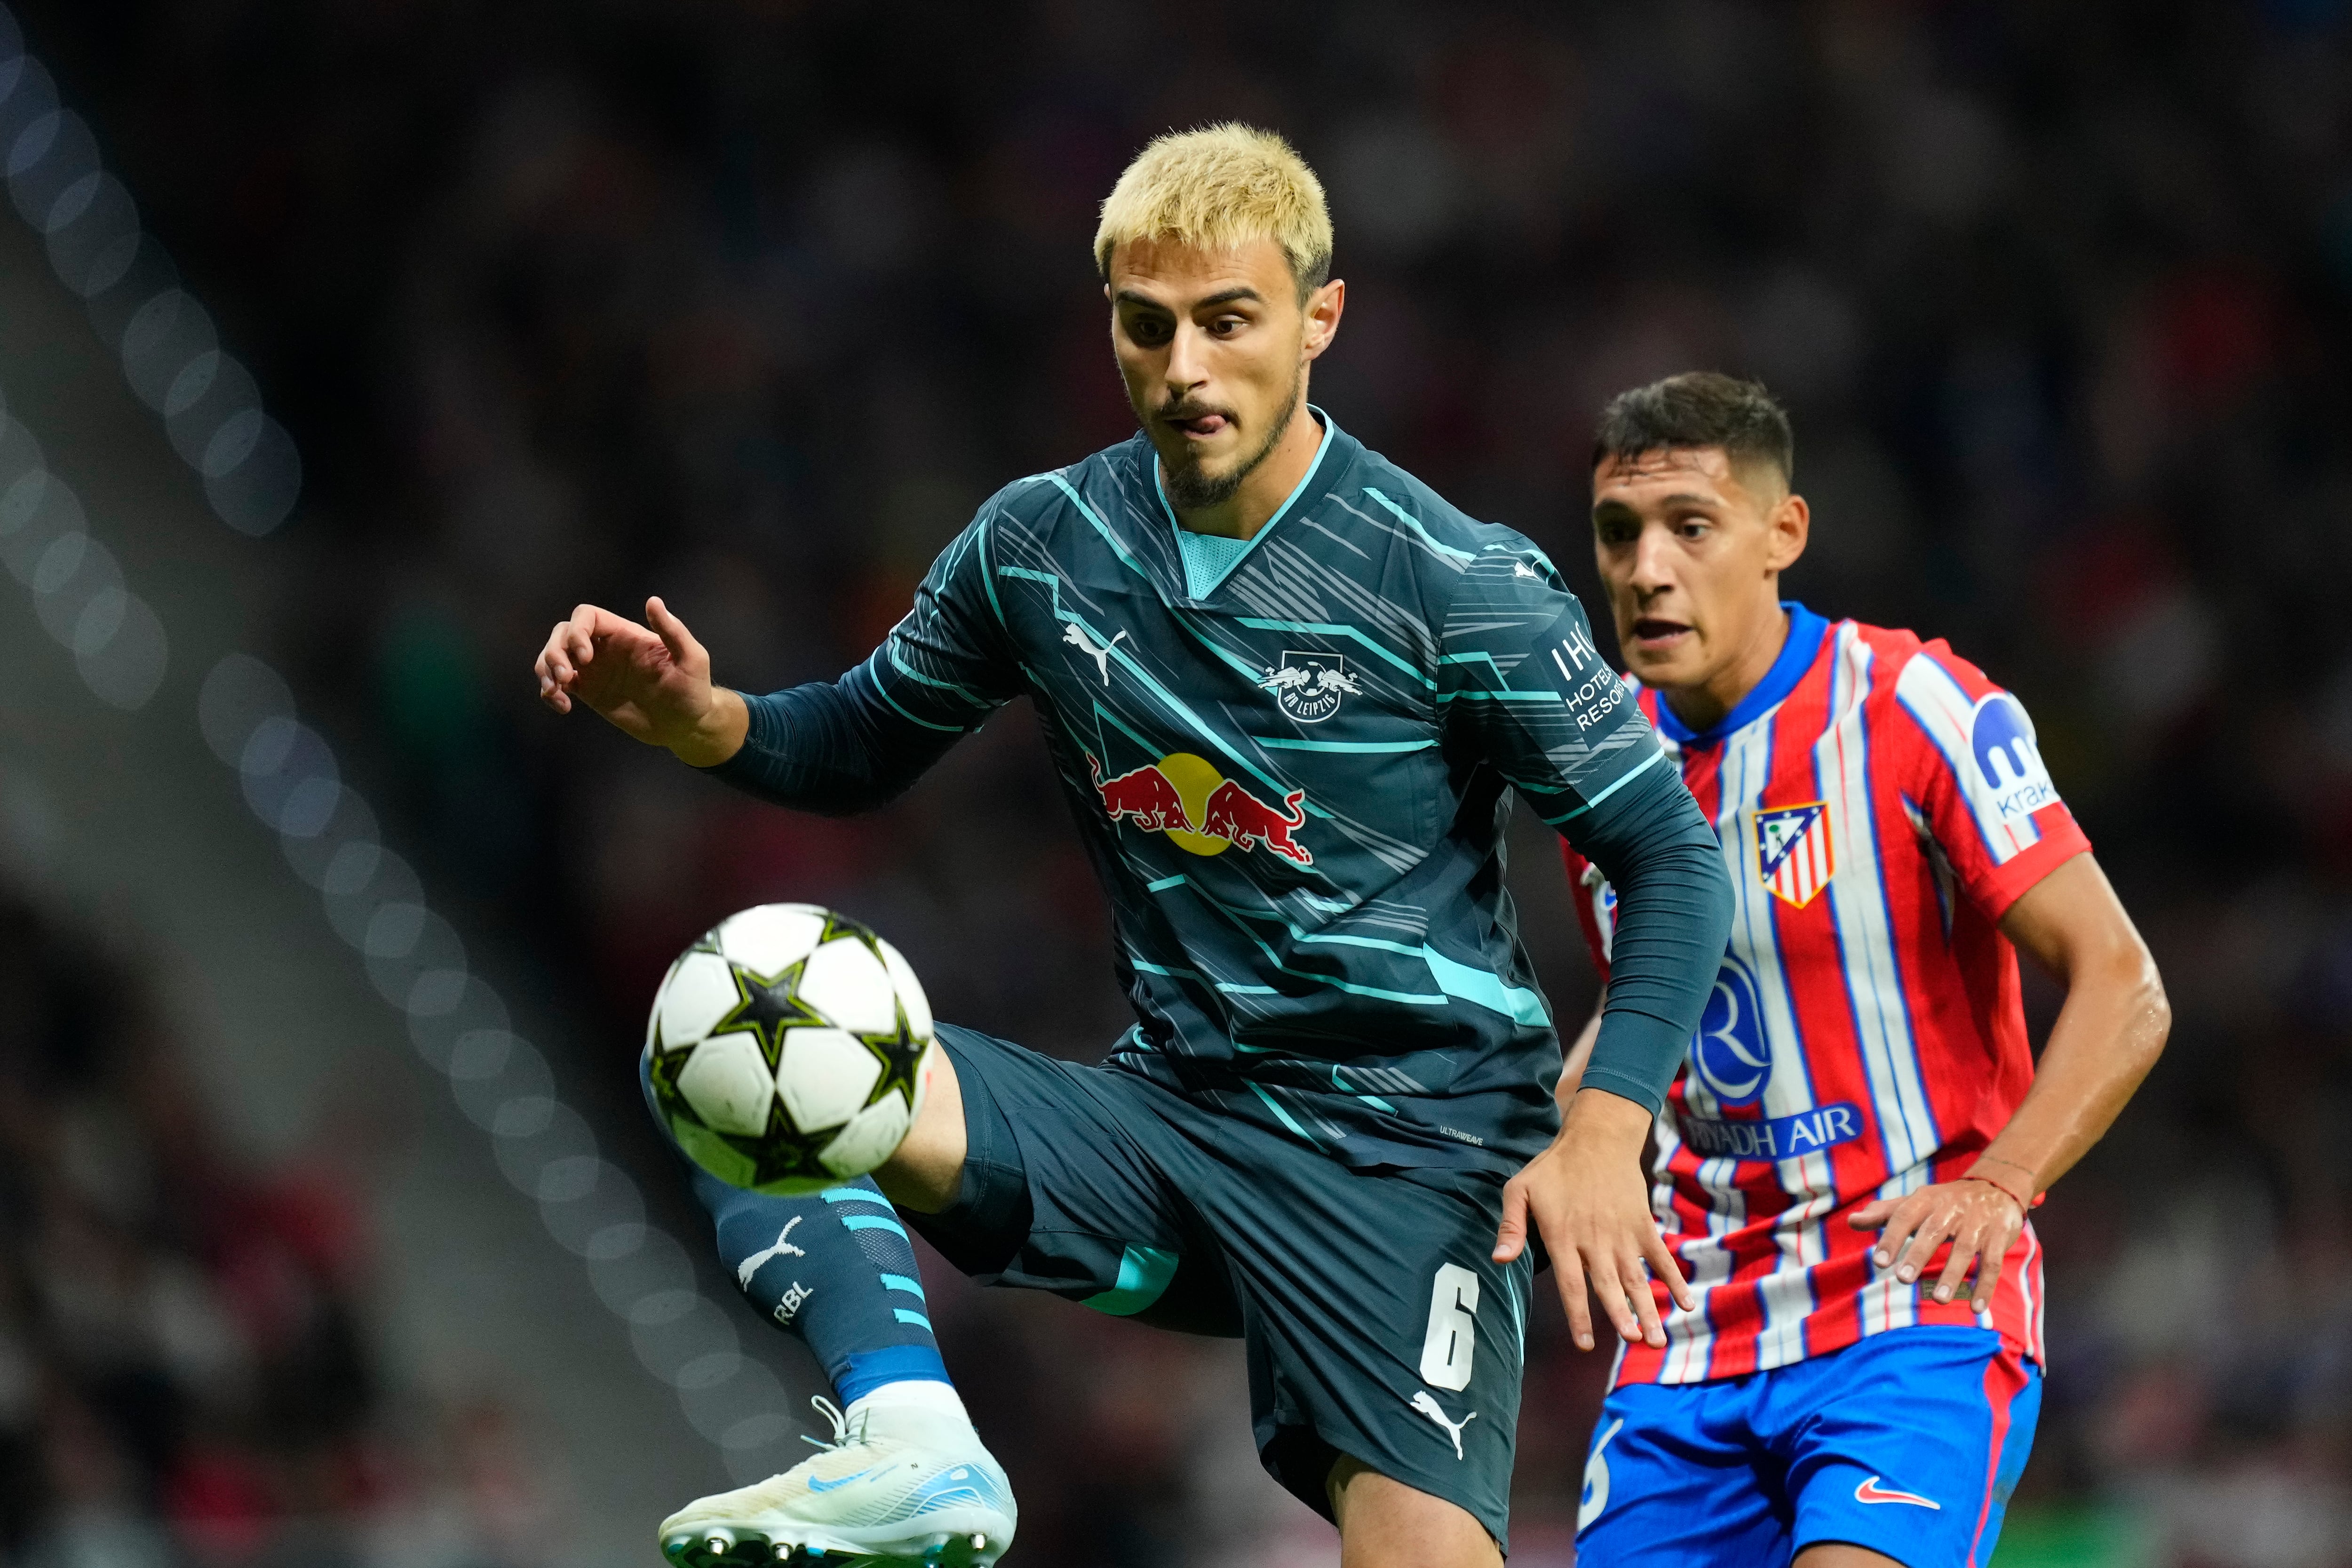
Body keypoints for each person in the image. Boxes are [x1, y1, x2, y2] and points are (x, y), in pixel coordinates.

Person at [534, 126, 1734, 1568]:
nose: (1185, 369)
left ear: (1319, 319)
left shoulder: (1452, 578)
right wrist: (708, 718)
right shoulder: (1039, 546)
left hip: (1414, 1167)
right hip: (1172, 1123)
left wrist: (1606, 1123)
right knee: (741, 1028)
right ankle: (916, 1446)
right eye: (1146, 326)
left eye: (1229, 324)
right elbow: (862, 739)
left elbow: (1673, 853)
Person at [1552, 373, 2171, 1568]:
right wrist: (1574, 1134)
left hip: (1907, 1306)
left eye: (1690, 524)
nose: (1644, 568)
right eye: (1618, 531)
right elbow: (1648, 1001)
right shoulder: (1598, 767)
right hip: (1690, 1327)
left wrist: (2002, 1184)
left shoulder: (1911, 704)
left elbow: (2122, 981)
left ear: (1782, 534)